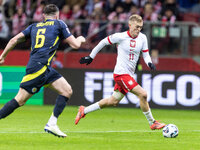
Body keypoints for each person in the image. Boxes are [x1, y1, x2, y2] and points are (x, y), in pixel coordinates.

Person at [0, 4, 85, 138]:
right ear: (57, 15)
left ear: (43, 16)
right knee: (20, 100)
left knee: (67, 90)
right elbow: (75, 45)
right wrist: (80, 38)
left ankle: (52, 124)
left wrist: (3, 56)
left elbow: (13, 40)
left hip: (44, 67)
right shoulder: (59, 24)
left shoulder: (34, 26)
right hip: (39, 68)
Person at [75, 14, 166, 130]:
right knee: (143, 94)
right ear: (130, 25)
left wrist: (149, 63)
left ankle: (84, 110)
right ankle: (152, 122)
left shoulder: (143, 38)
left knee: (113, 101)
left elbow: (146, 54)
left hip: (129, 74)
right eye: (136, 27)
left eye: (140, 27)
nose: (138, 29)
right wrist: (91, 56)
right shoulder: (120, 36)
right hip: (120, 74)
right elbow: (103, 42)